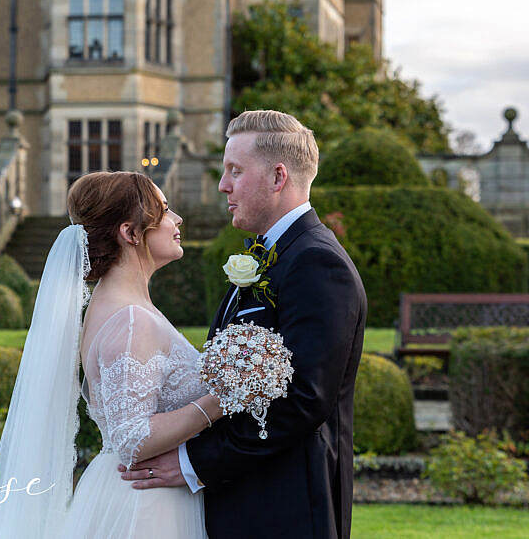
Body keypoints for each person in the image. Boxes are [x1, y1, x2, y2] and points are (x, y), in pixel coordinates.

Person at [121, 110, 368, 539]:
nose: (223, 185)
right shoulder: (271, 254)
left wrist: (192, 462)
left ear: (278, 177)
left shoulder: (317, 262)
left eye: (235, 171)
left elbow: (303, 400)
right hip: (246, 497)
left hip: (284, 506)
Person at [0, 171, 223, 538]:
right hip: (144, 506)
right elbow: (131, 437)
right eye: (165, 210)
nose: (178, 220)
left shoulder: (125, 307)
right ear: (130, 233)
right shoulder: (129, 321)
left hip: (144, 493)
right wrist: (222, 398)